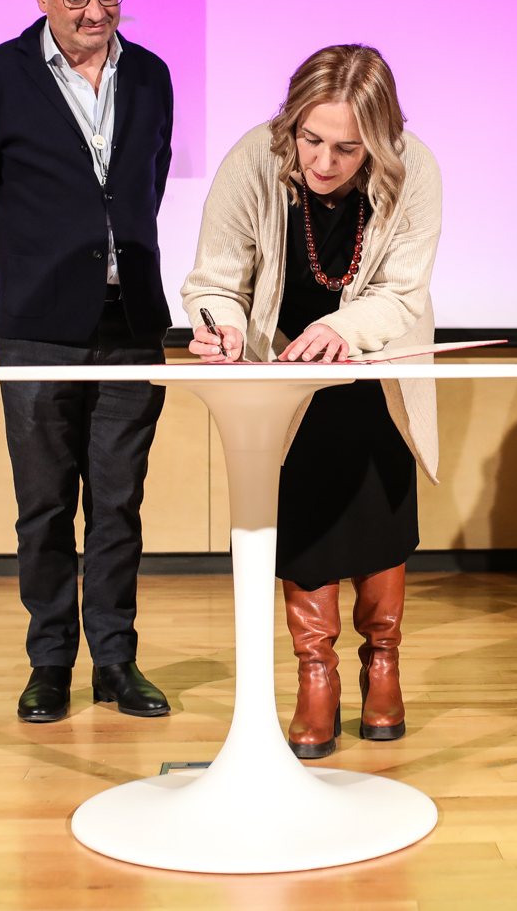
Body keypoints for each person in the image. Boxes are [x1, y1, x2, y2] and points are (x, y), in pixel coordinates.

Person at [181, 44, 441, 759]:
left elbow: (400, 291)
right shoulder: (252, 162)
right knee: (303, 516)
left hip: (376, 363)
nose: (324, 162)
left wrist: (340, 328)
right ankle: (316, 674)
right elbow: (213, 279)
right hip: (285, 372)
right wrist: (221, 326)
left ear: (380, 141)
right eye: (312, 140)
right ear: (291, 123)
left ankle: (382, 664)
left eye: (347, 148)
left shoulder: (415, 170)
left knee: (383, 511)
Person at [0, 0, 176, 723]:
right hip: (39, 325)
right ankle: (50, 663)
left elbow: (147, 182)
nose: (96, 11)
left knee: (118, 502)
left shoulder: (150, 76)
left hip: (131, 321)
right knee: (44, 503)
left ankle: (116, 660)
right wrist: (36, 269)